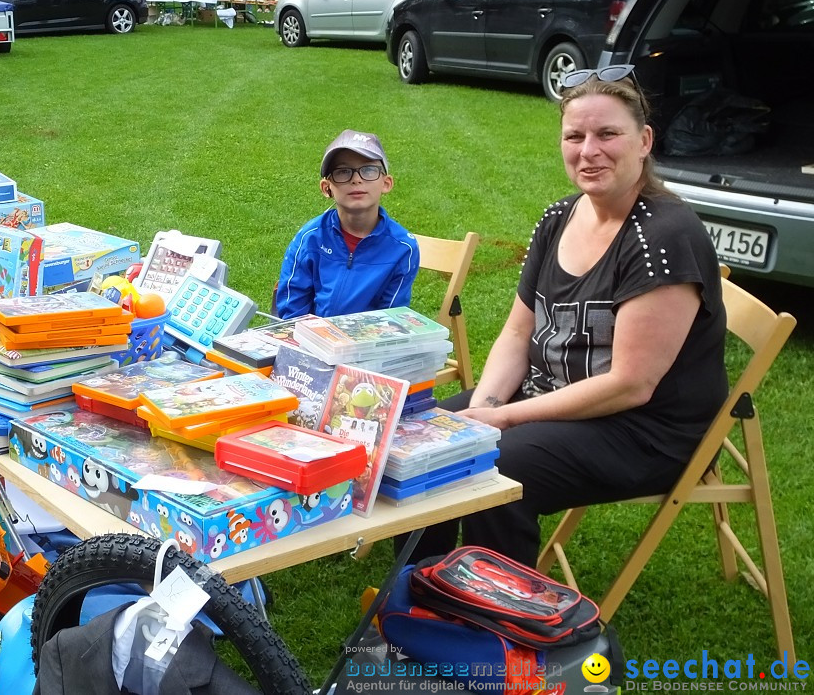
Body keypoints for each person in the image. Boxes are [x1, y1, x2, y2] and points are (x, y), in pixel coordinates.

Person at [403, 68, 727, 567]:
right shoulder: (559, 218)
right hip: (550, 398)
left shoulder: (663, 238)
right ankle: (422, 590)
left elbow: (630, 385)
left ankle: (501, 623)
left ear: (644, 141)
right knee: (425, 440)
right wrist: (486, 405)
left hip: (643, 430)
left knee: (496, 469)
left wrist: (502, 420)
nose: (588, 150)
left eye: (607, 134)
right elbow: (518, 329)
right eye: (574, 136)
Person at [275, 129, 420, 319]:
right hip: (309, 341)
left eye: (368, 170)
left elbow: (390, 321)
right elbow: (291, 311)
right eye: (343, 172)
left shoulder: (403, 248)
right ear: (327, 188)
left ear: (386, 183)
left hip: (368, 344)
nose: (356, 179)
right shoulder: (310, 238)